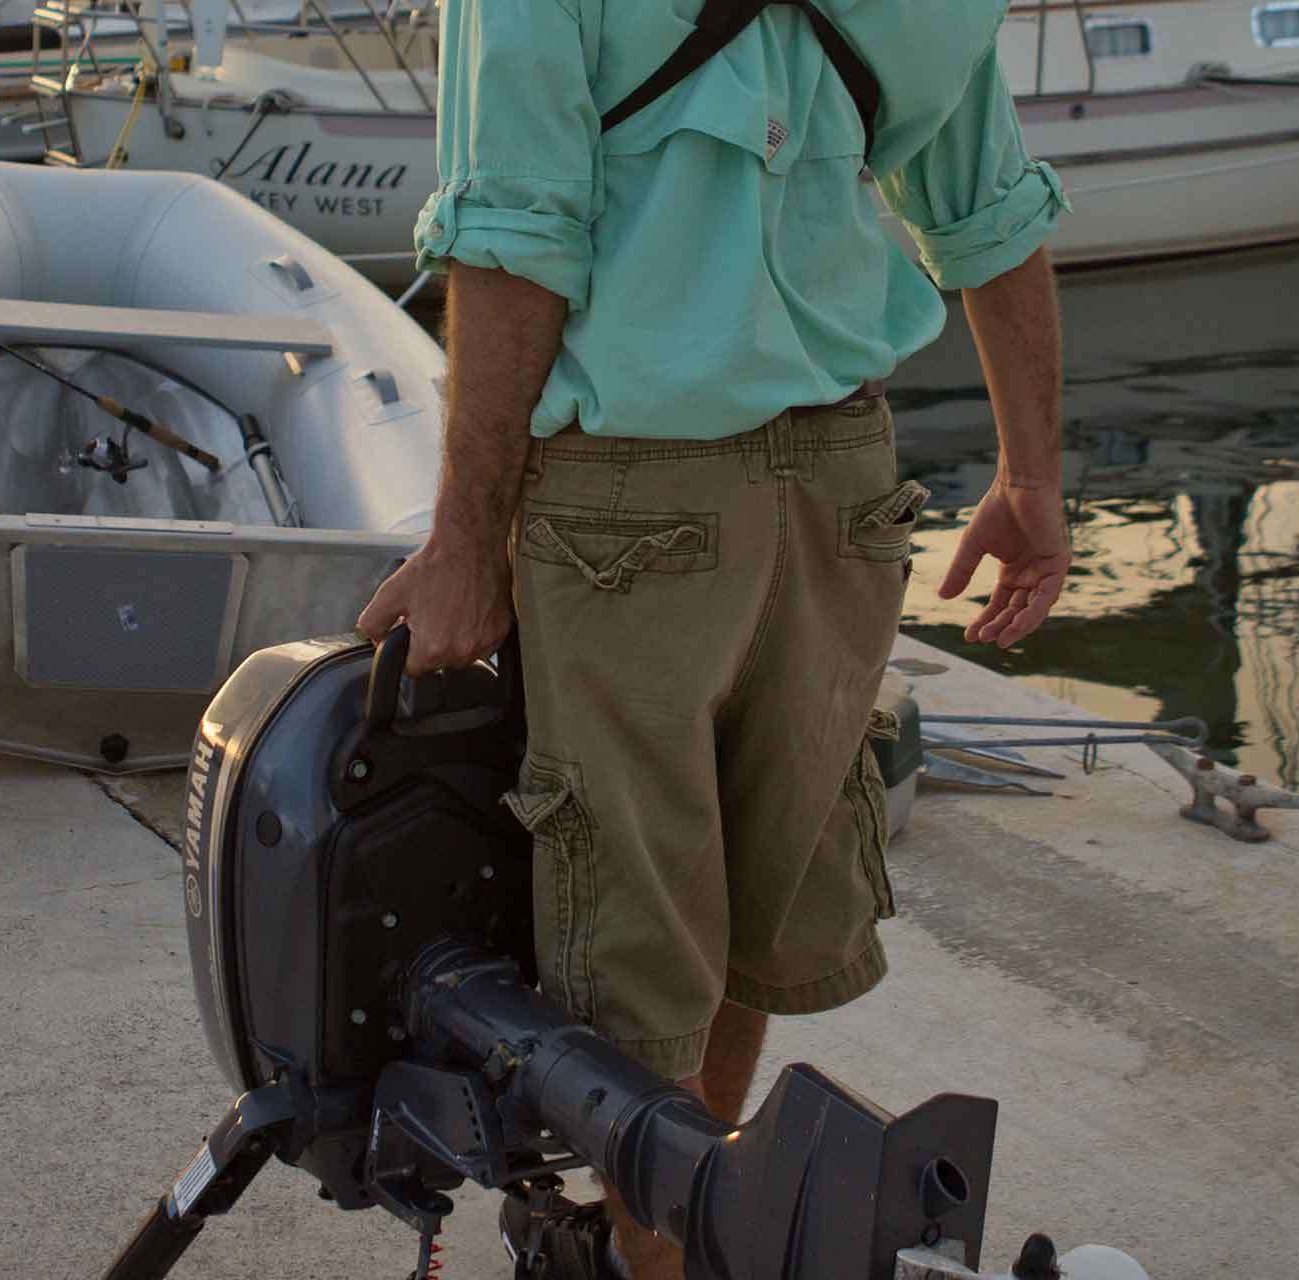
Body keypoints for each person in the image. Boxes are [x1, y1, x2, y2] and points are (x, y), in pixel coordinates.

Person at [358, 0, 1072, 1275]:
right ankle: (692, 1234)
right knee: (748, 892)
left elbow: (514, 235)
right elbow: (990, 211)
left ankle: (662, 1253)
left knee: (641, 928)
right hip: (845, 475)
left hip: (634, 494)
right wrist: (1031, 477)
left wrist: (465, 540)